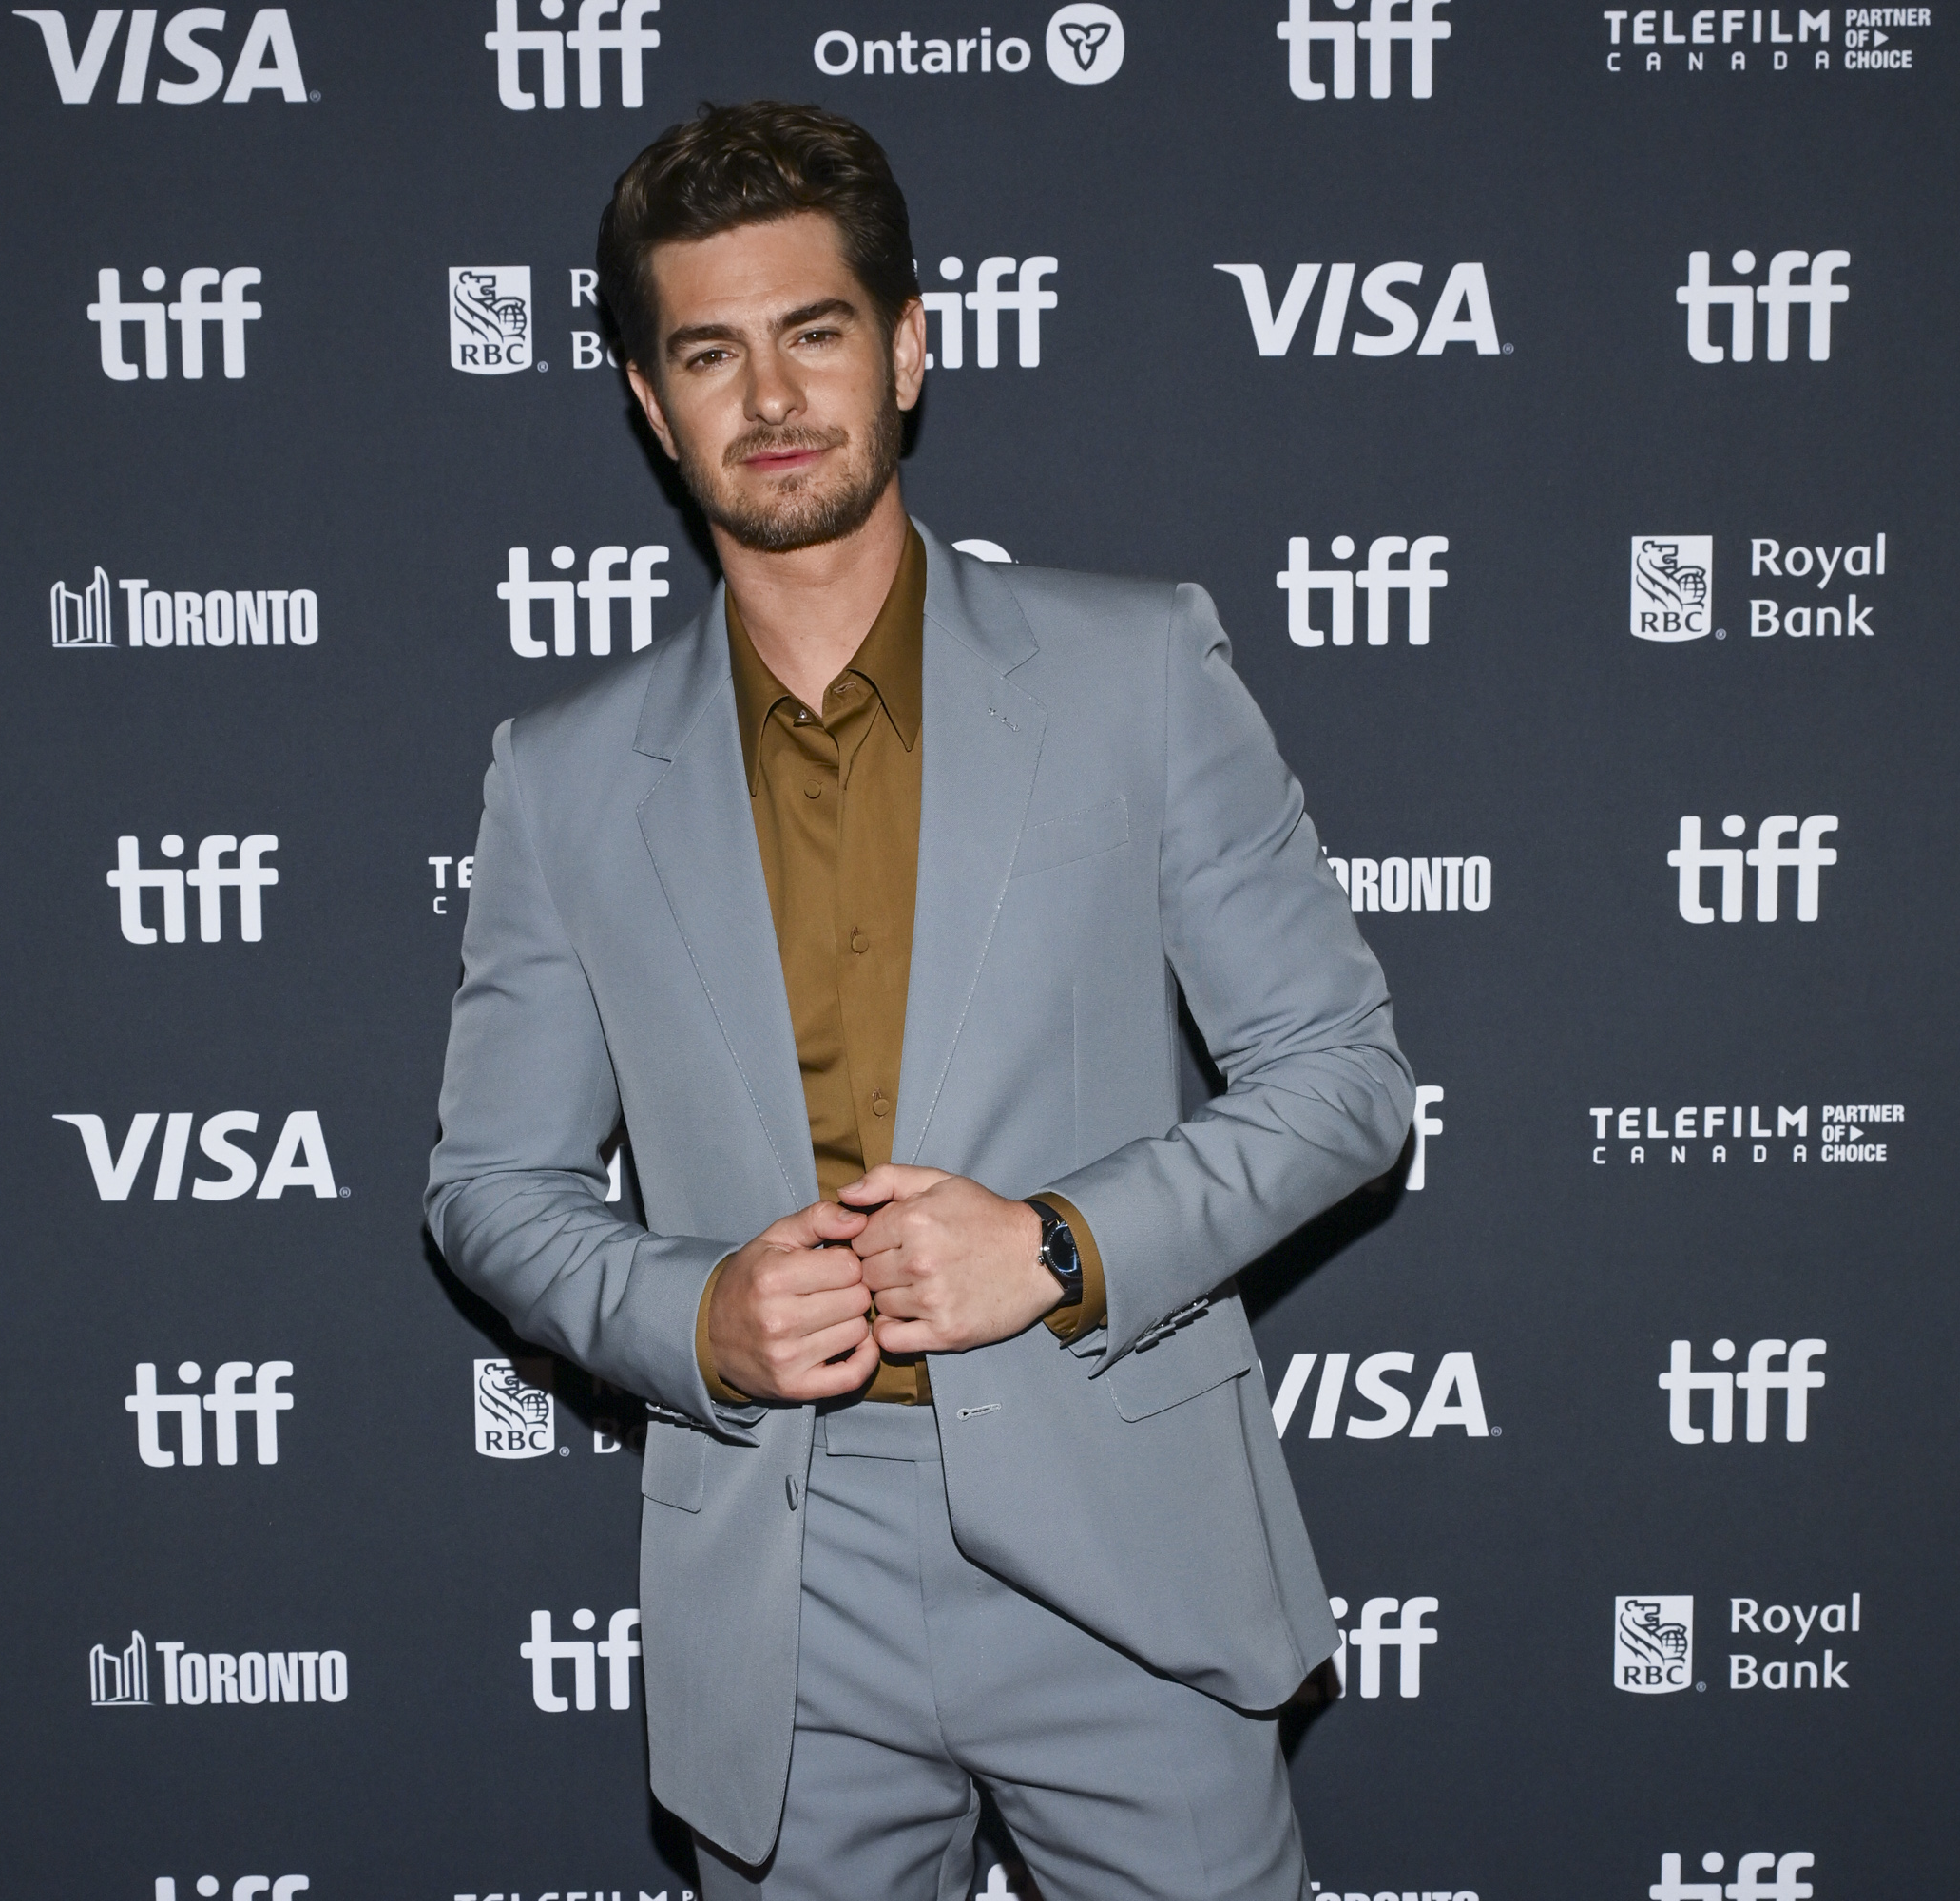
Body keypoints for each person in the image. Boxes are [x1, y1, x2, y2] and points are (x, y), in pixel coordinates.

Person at [425, 100, 1413, 1901]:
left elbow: (1344, 1078)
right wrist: (695, 1319)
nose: (773, 394)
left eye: (814, 330)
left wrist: (1055, 1246)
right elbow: (491, 1185)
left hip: (1121, 1538)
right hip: (782, 1583)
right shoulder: (561, 780)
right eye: (709, 352)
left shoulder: (1137, 672)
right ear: (653, 406)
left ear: (908, 346)